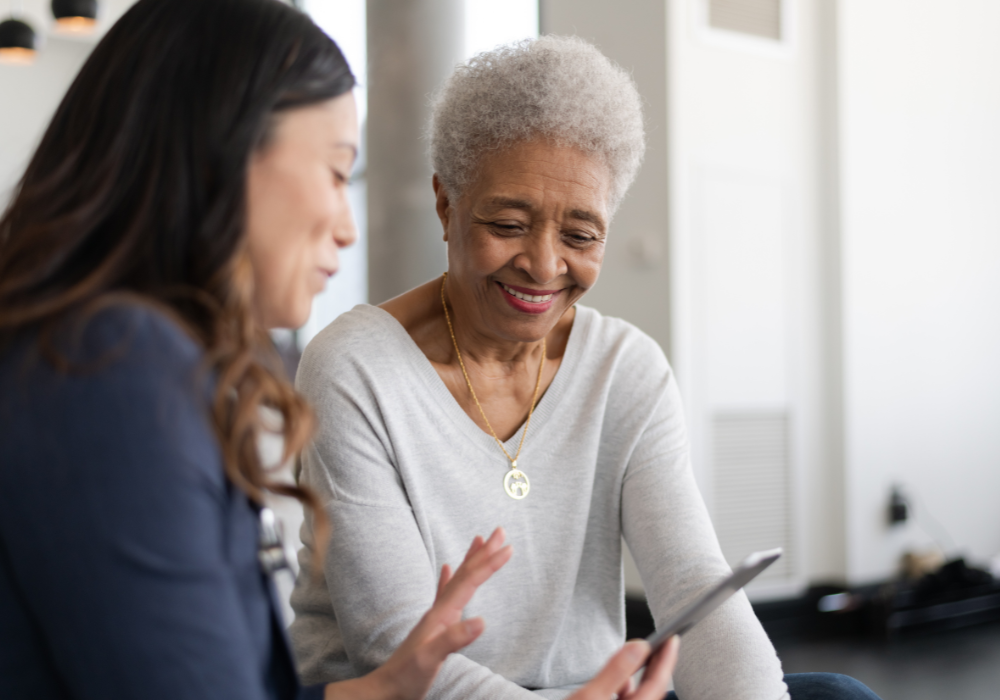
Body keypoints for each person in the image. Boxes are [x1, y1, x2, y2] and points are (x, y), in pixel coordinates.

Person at [0, 3, 678, 700]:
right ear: (220, 161)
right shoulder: (111, 372)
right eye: (334, 172)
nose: (349, 228)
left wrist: (388, 687)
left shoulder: (128, 358)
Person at [289, 36, 882, 700]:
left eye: (579, 235)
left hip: (591, 692)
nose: (544, 266)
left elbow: (692, 582)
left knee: (836, 696)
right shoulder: (355, 368)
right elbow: (396, 647)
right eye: (508, 224)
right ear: (446, 203)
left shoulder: (626, 369)